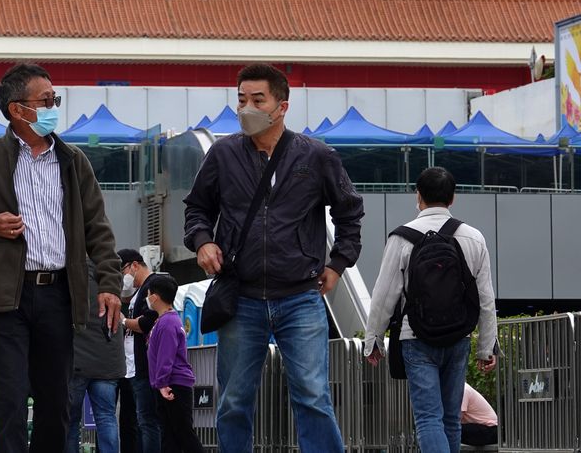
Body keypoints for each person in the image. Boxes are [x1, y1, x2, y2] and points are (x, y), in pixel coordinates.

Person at [0, 63, 123, 453]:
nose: (54, 107)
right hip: (7, 296)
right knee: (9, 395)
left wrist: (109, 284)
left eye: (55, 99)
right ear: (17, 110)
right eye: (46, 100)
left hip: (59, 294)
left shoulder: (73, 160)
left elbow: (98, 227)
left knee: (56, 399)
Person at [183, 63, 364, 453]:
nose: (246, 108)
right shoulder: (223, 154)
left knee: (313, 396)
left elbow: (350, 213)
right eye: (241, 100)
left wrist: (338, 264)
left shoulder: (317, 156)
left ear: (282, 106)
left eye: (257, 100)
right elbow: (197, 208)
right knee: (233, 400)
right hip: (241, 296)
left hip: (300, 297)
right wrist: (202, 242)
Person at [363, 167, 498, 453]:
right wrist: (487, 347)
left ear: (418, 196)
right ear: (453, 198)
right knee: (451, 419)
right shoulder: (474, 238)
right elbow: (485, 298)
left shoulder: (401, 238)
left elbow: (384, 294)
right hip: (458, 338)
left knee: (428, 419)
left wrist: (373, 340)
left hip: (416, 337)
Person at [67, 264, 123, 453]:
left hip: (77, 359)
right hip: (107, 361)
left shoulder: (74, 269)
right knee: (107, 417)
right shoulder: (112, 276)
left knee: (70, 420)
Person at [144, 275, 203, 453]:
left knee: (183, 433)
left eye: (148, 294)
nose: (147, 298)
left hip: (172, 385)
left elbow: (166, 355)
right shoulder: (166, 320)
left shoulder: (167, 322)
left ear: (154, 297)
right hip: (169, 384)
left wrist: (162, 383)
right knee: (170, 435)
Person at [119, 249, 162, 453]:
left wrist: (124, 321)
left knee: (148, 421)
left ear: (134, 265)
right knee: (139, 420)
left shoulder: (152, 285)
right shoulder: (138, 292)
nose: (123, 278)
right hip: (134, 366)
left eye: (122, 272)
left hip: (145, 366)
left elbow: (146, 322)